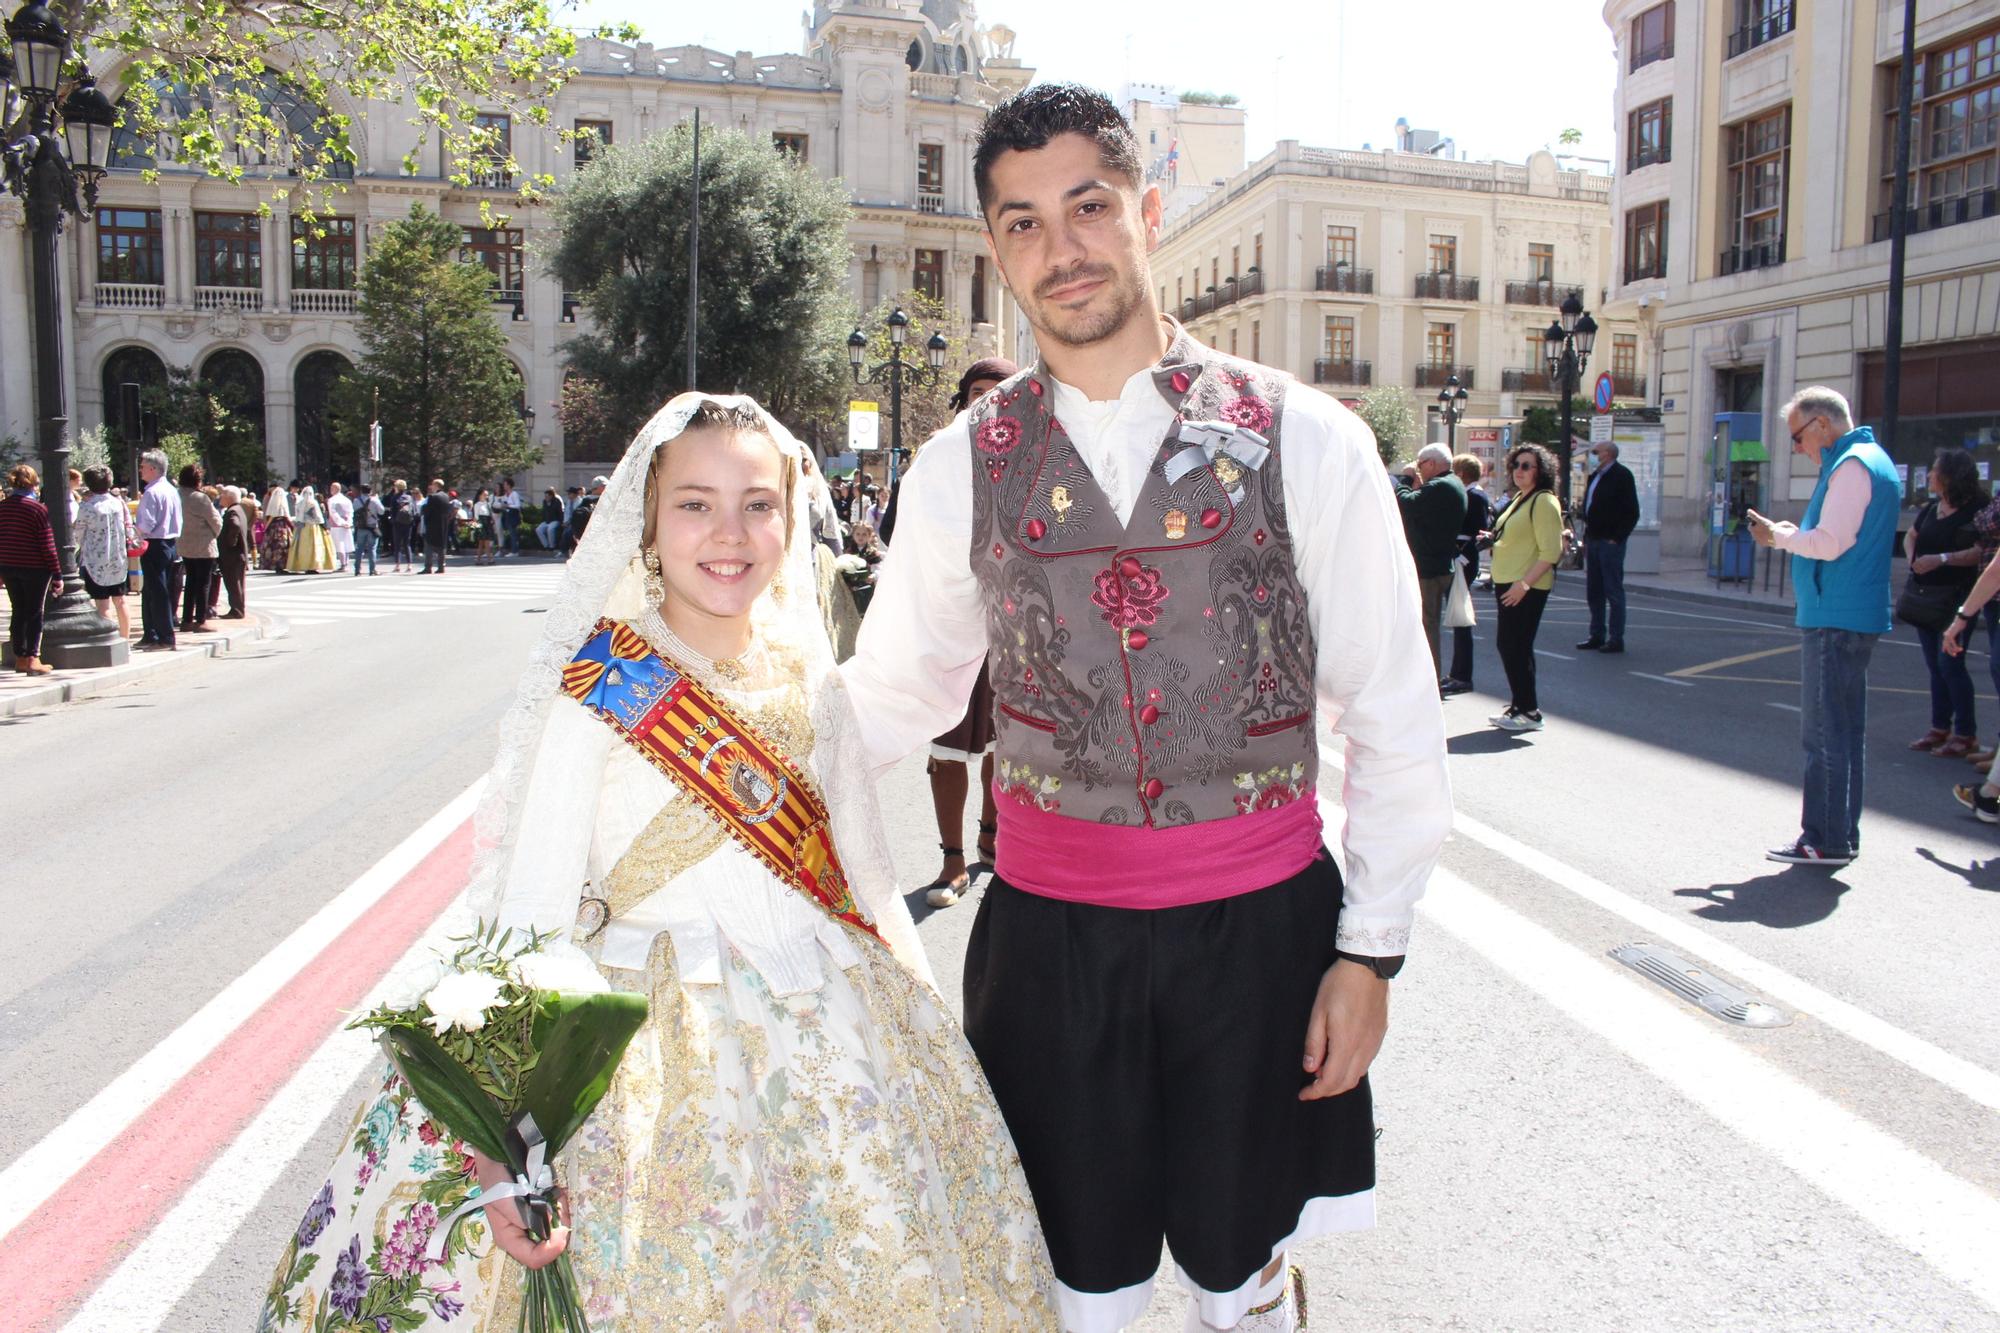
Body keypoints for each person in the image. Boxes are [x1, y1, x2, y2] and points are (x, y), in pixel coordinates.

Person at [842, 84, 1449, 1333]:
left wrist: (1368, 950)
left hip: (1263, 939)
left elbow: (1392, 707)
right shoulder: (959, 463)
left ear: (1146, 211)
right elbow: (894, 692)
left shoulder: (1307, 437)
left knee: (1241, 1274)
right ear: (995, 250)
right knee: (1075, 1291)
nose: (1058, 248)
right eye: (1020, 223)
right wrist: (702, 753)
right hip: (1051, 944)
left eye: (1086, 206)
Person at [260, 393, 1056, 1330]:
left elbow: (869, 886)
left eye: (759, 503)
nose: (730, 532)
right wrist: (502, 1132)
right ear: (645, 520)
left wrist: (930, 1049)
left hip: (834, 1028)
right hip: (642, 1058)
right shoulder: (599, 687)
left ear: (792, 519)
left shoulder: (816, 686)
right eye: (695, 503)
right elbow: (530, 915)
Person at [1747, 385, 1900, 866]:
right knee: (1843, 733)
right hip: (1846, 612)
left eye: (1797, 436)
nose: (1797, 448)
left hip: (1837, 615)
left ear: (1822, 425)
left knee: (1825, 734)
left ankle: (1825, 838)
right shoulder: (1865, 459)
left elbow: (1832, 543)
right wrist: (1788, 535)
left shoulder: (1852, 465)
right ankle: (1837, 835)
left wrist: (1780, 539)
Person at [917, 357, 1017, 908]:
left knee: (1008, 742)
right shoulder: (940, 457)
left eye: (999, 394)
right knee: (948, 745)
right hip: (952, 624)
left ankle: (992, 833)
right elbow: (899, 530)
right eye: (978, 393)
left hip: (1014, 627)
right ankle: (951, 858)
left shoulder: (1039, 459)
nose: (987, 404)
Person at [1901, 450, 1985, 758]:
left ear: (1950, 476)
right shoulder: (1932, 508)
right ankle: (1940, 727)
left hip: (1958, 597)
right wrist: (1913, 559)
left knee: (1951, 664)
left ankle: (1966, 733)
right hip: (1927, 598)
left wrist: (1941, 559)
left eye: (1935, 470)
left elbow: (1982, 551)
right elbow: (1910, 537)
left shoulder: (1978, 510)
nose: (1931, 476)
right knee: (1935, 665)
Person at [1483, 443, 1564, 732]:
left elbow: (1550, 551)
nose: (1519, 471)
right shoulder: (1522, 497)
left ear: (1540, 470)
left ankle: (1529, 711)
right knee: (1513, 646)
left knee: (1513, 645)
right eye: (1516, 465)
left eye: (1527, 466)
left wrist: (1524, 585)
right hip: (1509, 580)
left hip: (1525, 585)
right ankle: (1521, 706)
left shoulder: (1543, 501)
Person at [1393, 442, 1468, 688]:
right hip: (1438, 562)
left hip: (1429, 567)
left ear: (1432, 463)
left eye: (1420, 464)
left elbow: (1405, 502)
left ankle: (1429, 678)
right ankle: (1426, 675)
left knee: (1427, 625)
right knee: (1427, 623)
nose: (1418, 469)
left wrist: (1404, 479)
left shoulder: (1441, 485)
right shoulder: (1451, 484)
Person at [1575, 440, 1640, 653]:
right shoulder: (1595, 476)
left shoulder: (1622, 476)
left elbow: (1631, 512)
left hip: (1609, 542)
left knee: (1613, 590)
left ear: (1608, 454)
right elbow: (1589, 507)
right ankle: (1596, 634)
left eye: (1596, 452)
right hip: (1593, 539)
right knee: (1594, 591)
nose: (1593, 455)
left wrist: (1617, 537)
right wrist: (1586, 537)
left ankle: (1615, 638)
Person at [0, 463, 62, 674]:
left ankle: (19, 656)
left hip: (9, 566)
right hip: (35, 567)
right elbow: (47, 544)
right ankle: (33, 658)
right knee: (35, 612)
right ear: (34, 484)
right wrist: (57, 573)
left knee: (18, 610)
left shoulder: (3, 507)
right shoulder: (37, 509)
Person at [1441, 453, 1491, 697]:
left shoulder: (1474, 496)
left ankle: (1462, 675)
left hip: (1462, 559)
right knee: (1458, 619)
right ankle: (1457, 673)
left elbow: (1474, 530)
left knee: (1460, 619)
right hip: (1461, 557)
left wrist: (1459, 553)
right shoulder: (1473, 494)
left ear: (1461, 473)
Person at [74, 466, 136, 640]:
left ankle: (109, 640)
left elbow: (77, 533)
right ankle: (125, 639)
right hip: (118, 559)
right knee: (121, 600)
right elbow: (129, 528)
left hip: (95, 561)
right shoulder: (119, 503)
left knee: (102, 604)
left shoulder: (87, 507)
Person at [134, 449, 183, 650]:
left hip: (155, 544)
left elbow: (147, 524)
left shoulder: (152, 492)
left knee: (158, 592)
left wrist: (134, 532)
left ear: (153, 469)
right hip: (168, 543)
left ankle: (164, 636)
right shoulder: (171, 490)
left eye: (143, 466)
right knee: (153, 590)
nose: (140, 470)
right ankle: (151, 633)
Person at [176, 463, 222, 633]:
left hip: (184, 544)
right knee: (203, 584)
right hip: (203, 545)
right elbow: (216, 521)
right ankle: (200, 620)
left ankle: (186, 619)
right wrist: (214, 535)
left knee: (190, 583)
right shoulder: (200, 498)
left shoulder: (177, 495)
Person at [217, 485, 252, 616]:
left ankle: (237, 610)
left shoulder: (233, 511)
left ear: (229, 497)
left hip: (233, 555)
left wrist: (230, 542)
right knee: (237, 582)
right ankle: (237, 609)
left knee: (233, 582)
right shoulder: (238, 509)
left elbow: (235, 525)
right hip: (238, 554)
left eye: (223, 495)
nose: (220, 497)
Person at [286, 484, 338, 573]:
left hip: (301, 527)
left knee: (301, 546)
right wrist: (324, 527)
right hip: (313, 528)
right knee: (313, 547)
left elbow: (298, 516)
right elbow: (318, 517)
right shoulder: (313, 503)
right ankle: (312, 566)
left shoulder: (299, 503)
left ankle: (301, 564)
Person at [420, 479, 454, 574]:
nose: (431, 487)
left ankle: (428, 567)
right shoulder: (446, 496)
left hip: (432, 524)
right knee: (441, 546)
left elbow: (427, 511)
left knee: (429, 546)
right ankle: (441, 566)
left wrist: (424, 514)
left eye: (432, 485)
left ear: (436, 485)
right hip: (443, 524)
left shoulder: (432, 497)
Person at [350, 483, 383, 576]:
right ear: (370, 491)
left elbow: (353, 511)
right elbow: (382, 511)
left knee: (359, 549)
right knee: (372, 548)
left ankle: (357, 570)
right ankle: (372, 570)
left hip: (361, 527)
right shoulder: (374, 500)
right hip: (372, 527)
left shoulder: (356, 500)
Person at [259, 484, 293, 572]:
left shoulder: (273, 504)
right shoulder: (282, 504)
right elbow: (286, 515)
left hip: (274, 526)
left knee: (274, 546)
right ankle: (281, 565)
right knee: (283, 545)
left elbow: (271, 517)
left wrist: (266, 527)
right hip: (283, 526)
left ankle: (277, 566)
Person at [385, 478, 416, 572]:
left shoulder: (394, 497)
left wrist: (392, 520)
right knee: (407, 544)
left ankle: (397, 565)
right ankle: (409, 565)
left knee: (397, 544)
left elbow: (392, 511)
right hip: (408, 523)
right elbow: (414, 511)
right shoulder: (409, 497)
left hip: (397, 523)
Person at [326, 480, 354, 573]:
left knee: (339, 545)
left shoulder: (332, 500)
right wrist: (349, 522)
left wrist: (341, 523)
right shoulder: (347, 500)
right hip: (347, 524)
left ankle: (343, 564)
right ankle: (346, 563)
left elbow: (333, 513)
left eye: (331, 488)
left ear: (335, 489)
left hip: (337, 526)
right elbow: (351, 512)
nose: (330, 490)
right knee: (346, 544)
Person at [497, 476, 523, 556]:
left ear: (509, 485)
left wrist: (508, 505)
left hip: (513, 515)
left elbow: (517, 505)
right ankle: (511, 549)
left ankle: (515, 551)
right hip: (507, 515)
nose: (504, 486)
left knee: (513, 534)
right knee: (510, 533)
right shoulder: (505, 495)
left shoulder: (514, 494)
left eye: (505, 484)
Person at [471, 487, 496, 564]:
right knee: (485, 542)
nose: (486, 496)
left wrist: (492, 521)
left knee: (482, 543)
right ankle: (490, 558)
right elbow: (476, 517)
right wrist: (475, 528)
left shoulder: (487, 504)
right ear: (480, 495)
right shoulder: (477, 505)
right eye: (485, 495)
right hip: (481, 523)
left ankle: (478, 559)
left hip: (487, 523)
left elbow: (490, 514)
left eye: (487, 495)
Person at [534, 486, 562, 552]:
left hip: (555, 520)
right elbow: (544, 512)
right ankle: (546, 545)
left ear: (551, 496)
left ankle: (552, 546)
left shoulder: (557, 501)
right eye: (545, 496)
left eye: (547, 496)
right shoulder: (544, 502)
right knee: (538, 529)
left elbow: (560, 513)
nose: (546, 498)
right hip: (547, 521)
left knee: (550, 529)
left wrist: (561, 522)